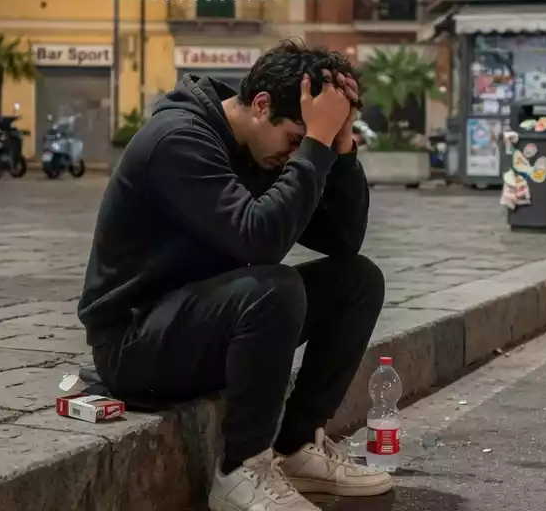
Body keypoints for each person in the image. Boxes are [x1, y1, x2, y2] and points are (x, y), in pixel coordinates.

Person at [77, 39, 392, 511]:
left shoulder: (262, 147)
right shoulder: (178, 139)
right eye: (293, 140)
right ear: (261, 105)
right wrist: (314, 149)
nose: (294, 156)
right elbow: (258, 241)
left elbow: (344, 240)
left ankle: (298, 448)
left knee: (358, 280)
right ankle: (240, 471)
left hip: (202, 326)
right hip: (134, 346)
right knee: (273, 287)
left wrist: (340, 151)